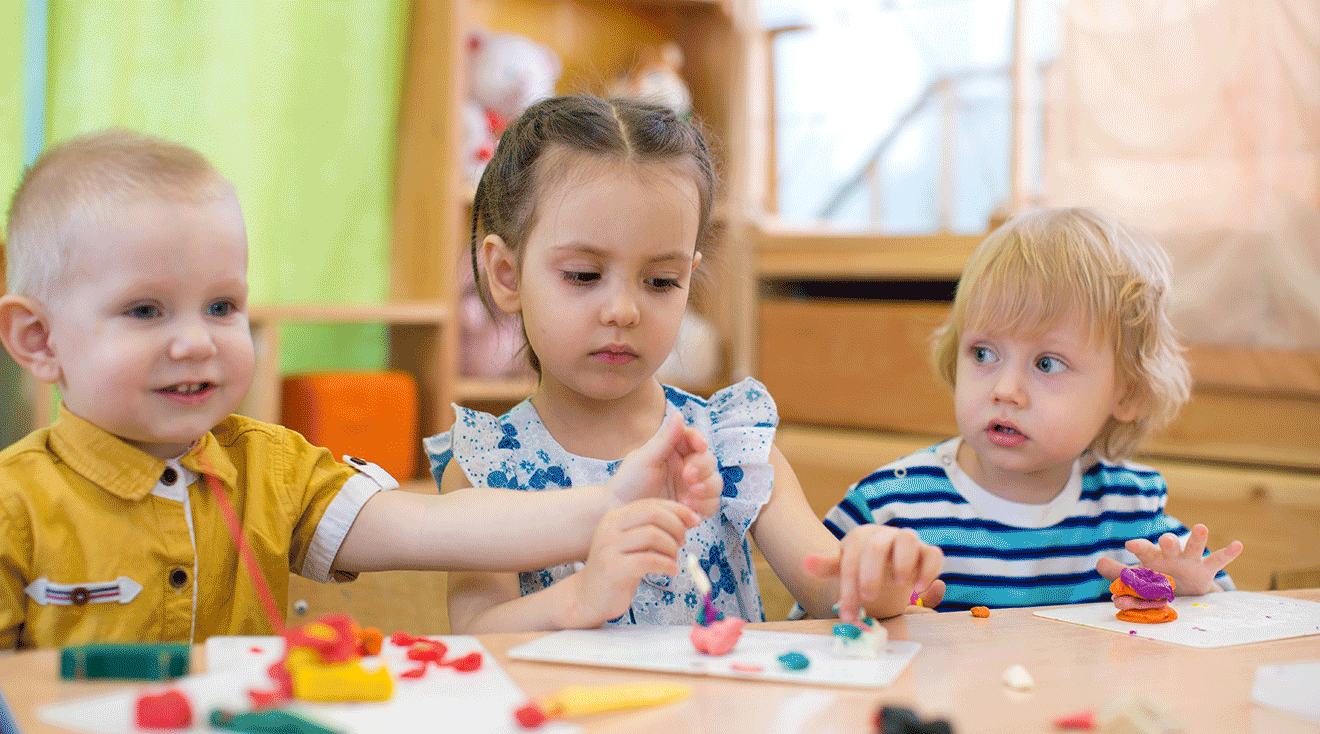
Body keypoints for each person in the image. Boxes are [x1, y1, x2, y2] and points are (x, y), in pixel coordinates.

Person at [0, 129, 725, 649]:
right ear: (38, 340)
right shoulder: (15, 506)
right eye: (145, 311)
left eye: (222, 307)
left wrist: (612, 502)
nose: (197, 340)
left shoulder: (273, 468)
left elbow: (436, 527)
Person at [425, 95, 944, 633]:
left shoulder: (729, 441)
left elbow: (829, 592)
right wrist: (580, 597)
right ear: (507, 275)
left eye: (661, 281)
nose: (624, 310)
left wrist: (872, 577)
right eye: (583, 275)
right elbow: (477, 634)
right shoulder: (488, 465)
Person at [822, 207, 1243, 611]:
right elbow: (811, 623)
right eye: (983, 354)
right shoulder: (890, 505)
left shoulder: (1131, 509)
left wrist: (1187, 591)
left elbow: (1216, 614)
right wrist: (877, 610)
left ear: (1127, 394)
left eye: (1047, 363)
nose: (1006, 390)